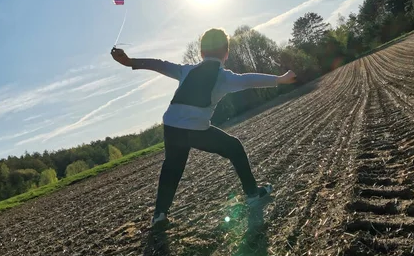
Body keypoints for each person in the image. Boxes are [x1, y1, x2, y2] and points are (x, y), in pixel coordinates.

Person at [111, 28, 296, 226]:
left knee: (172, 167)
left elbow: (160, 65)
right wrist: (280, 79)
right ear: (226, 53)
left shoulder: (186, 70)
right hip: (196, 129)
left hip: (172, 124)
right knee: (234, 148)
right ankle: (252, 194)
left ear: (201, 53)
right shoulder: (224, 77)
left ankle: (159, 215)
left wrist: (130, 62)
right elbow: (249, 80)